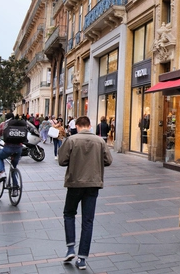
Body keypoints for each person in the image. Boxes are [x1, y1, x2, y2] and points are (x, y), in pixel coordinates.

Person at [58, 116, 113, 270]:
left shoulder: (72, 140)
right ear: (89, 125)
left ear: (77, 126)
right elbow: (108, 160)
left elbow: (62, 161)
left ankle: (70, 248)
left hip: (75, 183)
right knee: (88, 221)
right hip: (93, 184)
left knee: (69, 213)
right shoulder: (100, 141)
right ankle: (82, 258)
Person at [0, 113, 28, 184]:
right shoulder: (19, 124)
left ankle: (2, 172)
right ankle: (15, 188)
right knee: (13, 167)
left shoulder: (4, 124)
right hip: (19, 149)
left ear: (6, 118)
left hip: (8, 147)